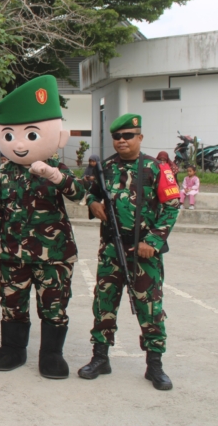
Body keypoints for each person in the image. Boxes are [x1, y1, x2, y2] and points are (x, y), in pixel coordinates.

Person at [0, 75, 86, 379]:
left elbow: (81, 194)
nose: (20, 144)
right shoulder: (4, 172)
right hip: (13, 253)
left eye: (30, 135)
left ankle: (51, 355)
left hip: (54, 255)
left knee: (54, 305)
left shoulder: (59, 169)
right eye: (11, 135)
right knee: (12, 303)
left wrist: (55, 176)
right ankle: (14, 349)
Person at [79, 113, 180, 391]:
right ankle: (100, 357)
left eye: (127, 136)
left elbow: (172, 205)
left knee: (150, 308)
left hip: (144, 251)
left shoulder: (156, 168)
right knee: (104, 304)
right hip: (112, 248)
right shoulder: (106, 167)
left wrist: (154, 242)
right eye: (117, 137)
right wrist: (92, 203)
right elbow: (89, 191)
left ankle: (155, 365)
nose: (121, 141)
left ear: (140, 138)